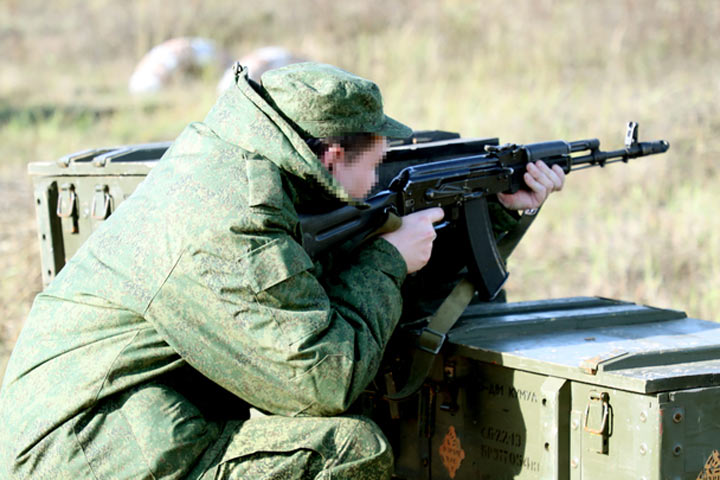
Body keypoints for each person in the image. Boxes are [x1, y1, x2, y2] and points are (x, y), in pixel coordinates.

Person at [0, 62, 564, 479]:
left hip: (127, 419)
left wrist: (500, 211)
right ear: (332, 157)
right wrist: (388, 258)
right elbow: (325, 382)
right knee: (349, 448)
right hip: (82, 453)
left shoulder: (238, 165)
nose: (381, 178)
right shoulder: (235, 221)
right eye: (376, 162)